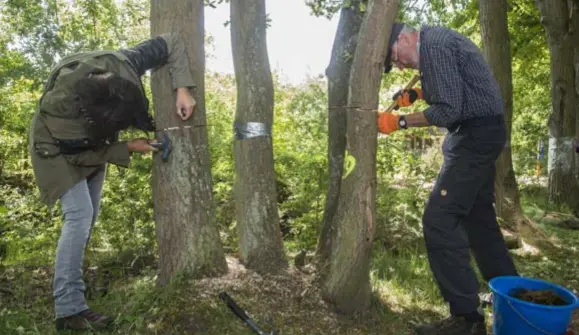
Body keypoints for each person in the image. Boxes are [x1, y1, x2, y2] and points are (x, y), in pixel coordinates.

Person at [29, 32, 196, 331]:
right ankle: (68, 310)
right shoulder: (63, 114)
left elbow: (171, 41)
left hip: (95, 140)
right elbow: (82, 155)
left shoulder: (125, 64)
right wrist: (127, 147)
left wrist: (183, 88)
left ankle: (74, 295)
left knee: (87, 219)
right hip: (56, 149)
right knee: (79, 216)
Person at [377, 23, 519, 335]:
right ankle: (517, 303)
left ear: (403, 38)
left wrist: (398, 121)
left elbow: (449, 110)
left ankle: (467, 319)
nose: (399, 65)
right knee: (479, 222)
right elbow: (454, 86)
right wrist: (415, 93)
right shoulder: (436, 42)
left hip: (474, 136)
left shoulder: (434, 45)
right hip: (485, 131)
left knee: (439, 219)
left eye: (395, 57)